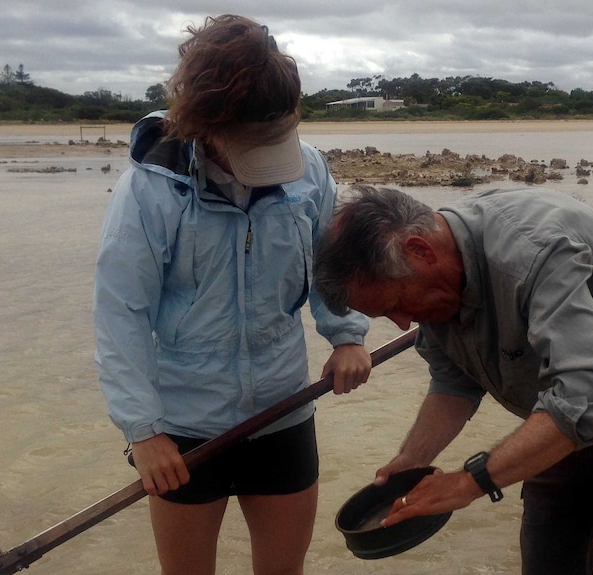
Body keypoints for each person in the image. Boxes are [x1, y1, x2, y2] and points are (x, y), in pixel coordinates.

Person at [313, 185, 593, 574]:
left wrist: (468, 483)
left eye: (397, 304)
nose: (403, 322)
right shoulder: (434, 288)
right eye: (385, 316)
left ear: (420, 250)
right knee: (549, 549)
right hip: (559, 401)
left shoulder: (533, 255)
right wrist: (413, 460)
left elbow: (589, 394)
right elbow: (454, 382)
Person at [92, 15, 371, 575]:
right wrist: (143, 431)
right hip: (183, 428)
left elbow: (329, 265)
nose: (272, 162)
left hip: (283, 410)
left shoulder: (310, 170)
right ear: (205, 125)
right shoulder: (150, 191)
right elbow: (121, 313)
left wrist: (346, 335)